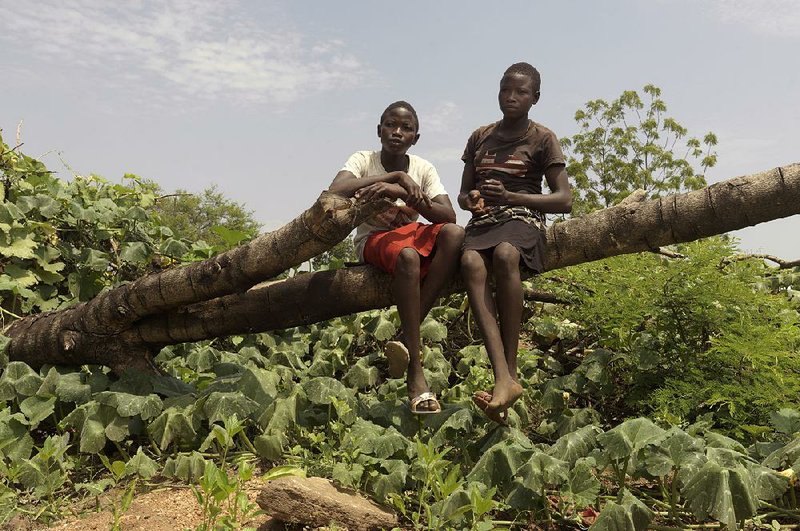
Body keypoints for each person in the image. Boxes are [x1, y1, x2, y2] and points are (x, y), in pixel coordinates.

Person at [328, 101, 464, 414]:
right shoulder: (365, 160)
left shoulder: (424, 168)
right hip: (373, 240)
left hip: (411, 236)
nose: (397, 132)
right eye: (390, 125)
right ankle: (416, 375)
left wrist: (407, 190)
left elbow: (449, 216)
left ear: (416, 137)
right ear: (379, 130)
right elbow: (336, 189)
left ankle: (406, 334)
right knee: (408, 258)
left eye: (406, 128)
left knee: (455, 236)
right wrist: (397, 178)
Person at [458, 63, 572, 424]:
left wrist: (510, 196)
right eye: (506, 89)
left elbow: (564, 199)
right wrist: (472, 199)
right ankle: (503, 378)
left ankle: (511, 370)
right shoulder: (480, 137)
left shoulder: (542, 138)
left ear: (534, 98)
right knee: (471, 264)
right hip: (485, 219)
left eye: (520, 92)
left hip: (523, 215)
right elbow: (463, 193)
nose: (511, 97)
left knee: (506, 255)